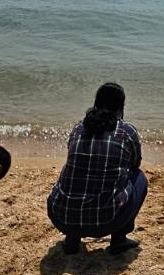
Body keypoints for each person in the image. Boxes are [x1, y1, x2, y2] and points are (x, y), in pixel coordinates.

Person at [47, 82, 146, 255]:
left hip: (61, 216)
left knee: (78, 173)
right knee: (139, 178)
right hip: (106, 221)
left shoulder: (79, 128)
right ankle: (119, 239)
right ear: (121, 106)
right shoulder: (126, 132)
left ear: (96, 103)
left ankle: (72, 238)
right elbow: (135, 164)